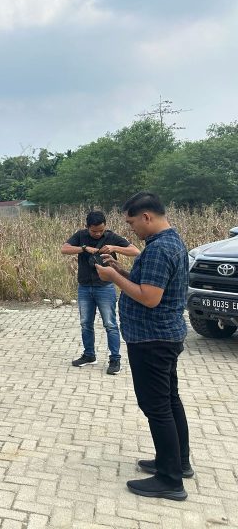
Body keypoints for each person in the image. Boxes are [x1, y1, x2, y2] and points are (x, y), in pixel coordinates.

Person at [95, 193, 191, 501]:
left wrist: (112, 276)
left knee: (156, 407)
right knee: (169, 400)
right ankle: (177, 462)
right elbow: (147, 285)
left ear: (146, 217)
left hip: (152, 339)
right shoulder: (168, 242)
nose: (130, 228)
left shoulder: (159, 249)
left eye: (131, 222)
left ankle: (169, 480)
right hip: (164, 336)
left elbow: (149, 298)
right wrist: (121, 270)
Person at [62, 210, 140, 375]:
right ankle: (89, 355)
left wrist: (113, 248)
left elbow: (135, 251)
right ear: (87, 227)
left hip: (105, 287)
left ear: (105, 227)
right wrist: (84, 248)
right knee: (85, 324)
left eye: (101, 230)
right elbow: (64, 249)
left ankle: (115, 359)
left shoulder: (111, 237)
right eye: (94, 231)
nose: (98, 234)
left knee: (110, 324)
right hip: (84, 287)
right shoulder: (81, 235)